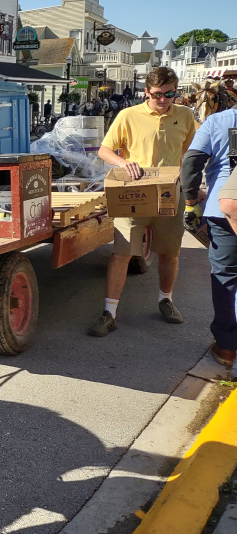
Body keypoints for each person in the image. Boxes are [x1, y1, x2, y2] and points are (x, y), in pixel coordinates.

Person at [89, 67, 199, 336]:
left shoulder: (185, 115)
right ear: (146, 92)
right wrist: (123, 163)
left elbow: (188, 152)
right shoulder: (128, 115)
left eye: (170, 94)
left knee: (169, 252)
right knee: (122, 254)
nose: (163, 100)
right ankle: (109, 312)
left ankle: (166, 300)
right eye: (158, 94)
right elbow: (104, 150)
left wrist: (191, 187)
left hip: (169, 193)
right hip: (133, 193)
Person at [184, 105, 237, 368]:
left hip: (224, 208)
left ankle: (227, 347)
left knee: (226, 274)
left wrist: (191, 200)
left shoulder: (218, 121)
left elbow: (192, 162)